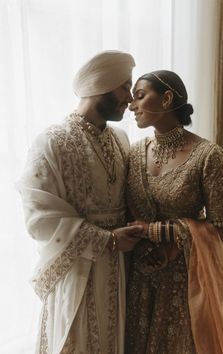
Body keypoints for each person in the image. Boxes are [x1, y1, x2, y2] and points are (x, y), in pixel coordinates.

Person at [17, 50, 143, 354]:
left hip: (119, 270)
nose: (129, 98)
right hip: (77, 270)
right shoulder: (52, 140)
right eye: (124, 86)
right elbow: (39, 218)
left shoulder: (121, 139)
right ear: (102, 84)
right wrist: (106, 239)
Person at [125, 70, 223, 354]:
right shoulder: (133, 153)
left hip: (183, 282)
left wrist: (157, 233)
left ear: (166, 99)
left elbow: (220, 228)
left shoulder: (208, 156)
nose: (131, 105)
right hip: (138, 276)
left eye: (139, 97)